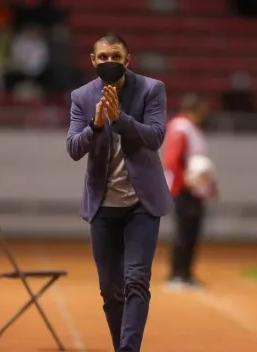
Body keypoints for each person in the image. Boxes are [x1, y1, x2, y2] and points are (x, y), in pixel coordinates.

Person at [66, 33, 173, 352]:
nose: (109, 62)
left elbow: (155, 137)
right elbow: (73, 148)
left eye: (116, 57)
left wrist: (121, 119)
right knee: (110, 290)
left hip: (142, 204)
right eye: (103, 57)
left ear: (128, 60)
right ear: (92, 60)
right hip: (103, 206)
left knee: (136, 281)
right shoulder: (82, 97)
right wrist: (96, 125)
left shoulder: (151, 89)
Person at [163, 93, 216, 290]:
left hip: (194, 188)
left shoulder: (192, 128)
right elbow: (172, 158)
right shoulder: (181, 127)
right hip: (184, 188)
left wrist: (208, 186)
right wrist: (186, 180)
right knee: (184, 232)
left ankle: (186, 273)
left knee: (192, 232)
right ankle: (177, 274)